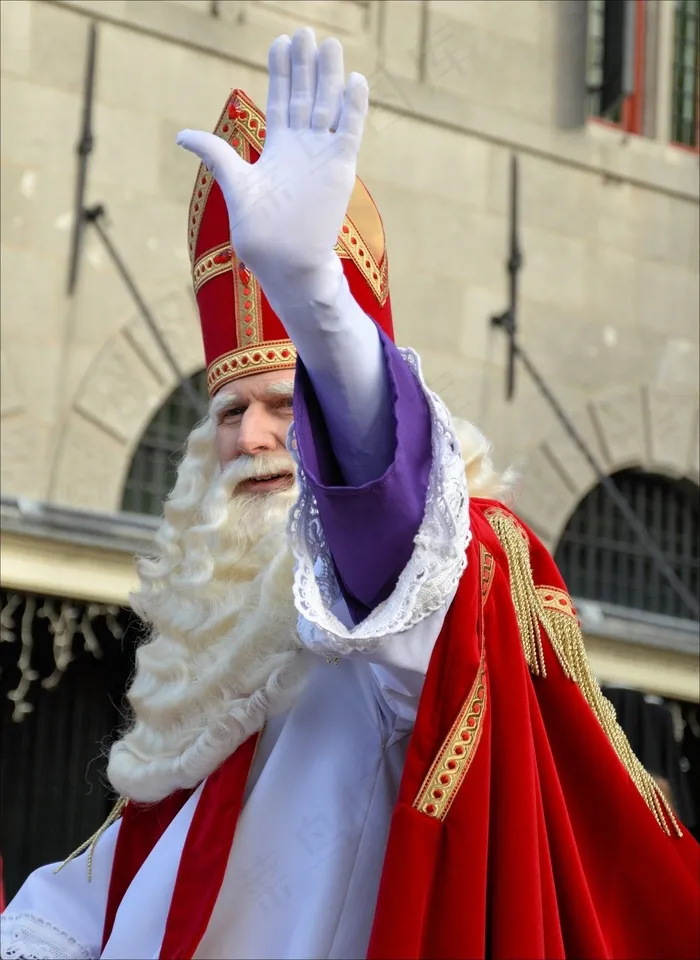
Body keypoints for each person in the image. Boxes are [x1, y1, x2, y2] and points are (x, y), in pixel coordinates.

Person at [2, 28, 698, 960]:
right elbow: (82, 909)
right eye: (227, 411)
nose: (249, 437)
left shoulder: (390, 632)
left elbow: (384, 533)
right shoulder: (213, 681)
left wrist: (315, 300)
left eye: (287, 406)